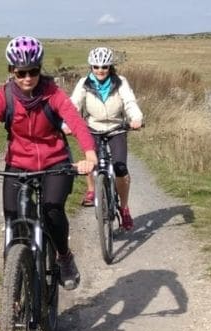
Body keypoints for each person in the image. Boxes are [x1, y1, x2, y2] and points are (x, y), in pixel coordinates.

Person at [0, 36, 98, 291]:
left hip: (54, 163)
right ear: (12, 71)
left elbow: (75, 122)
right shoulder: (4, 97)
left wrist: (89, 153)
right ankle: (12, 294)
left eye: (33, 71)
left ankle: (64, 257)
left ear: (39, 69)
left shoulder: (52, 93)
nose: (27, 78)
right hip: (18, 164)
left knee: (51, 209)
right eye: (21, 73)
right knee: (12, 218)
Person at [70, 46, 143, 231]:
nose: (100, 70)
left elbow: (129, 102)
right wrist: (67, 124)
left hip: (116, 128)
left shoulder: (120, 82)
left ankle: (124, 208)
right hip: (92, 127)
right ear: (91, 67)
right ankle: (92, 190)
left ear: (110, 67)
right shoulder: (84, 83)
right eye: (96, 67)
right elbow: (73, 106)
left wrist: (136, 118)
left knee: (120, 169)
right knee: (91, 160)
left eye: (104, 67)